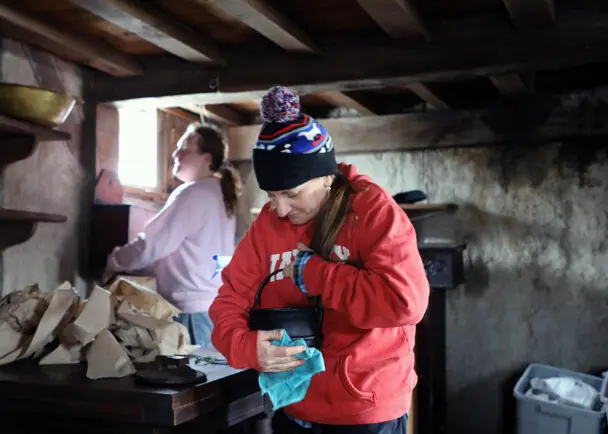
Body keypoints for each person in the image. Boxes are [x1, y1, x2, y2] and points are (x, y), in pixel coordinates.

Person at [209, 86, 430, 433]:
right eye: (272, 195)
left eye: (291, 194)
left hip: (364, 411)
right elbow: (228, 300)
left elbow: (405, 302)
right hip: (292, 407)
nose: (280, 209)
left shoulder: (371, 211)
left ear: (326, 176)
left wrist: (318, 275)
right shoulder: (269, 223)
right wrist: (246, 347)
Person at [105, 122, 241, 347]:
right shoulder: (219, 193)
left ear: (206, 158)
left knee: (185, 377)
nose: (175, 153)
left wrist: (114, 260)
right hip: (209, 310)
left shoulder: (192, 193)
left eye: (184, 148)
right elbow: (186, 253)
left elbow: (153, 245)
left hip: (189, 313)